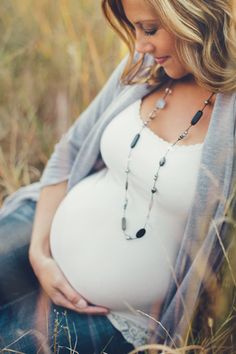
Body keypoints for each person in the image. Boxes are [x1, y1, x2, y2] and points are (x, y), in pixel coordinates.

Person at [0, 0, 235, 353]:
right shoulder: (144, 67)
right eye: (135, 29)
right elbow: (70, 150)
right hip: (40, 226)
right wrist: (39, 252)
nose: (139, 45)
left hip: (111, 313)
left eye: (151, 29)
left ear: (194, 17)